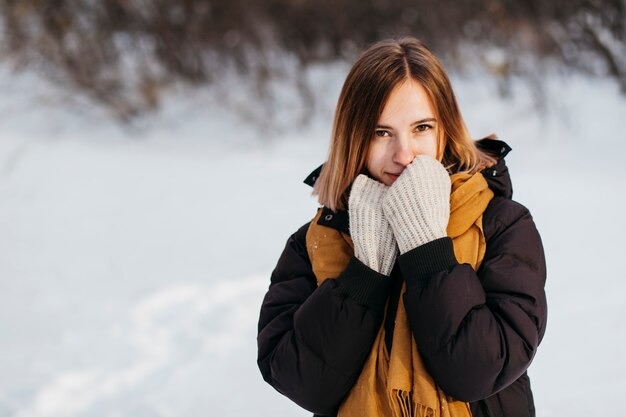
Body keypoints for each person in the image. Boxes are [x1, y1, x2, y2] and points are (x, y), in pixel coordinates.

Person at [257, 37, 547, 417]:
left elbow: (477, 372)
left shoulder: (501, 225)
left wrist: (427, 246)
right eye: (381, 132)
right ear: (354, 138)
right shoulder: (315, 241)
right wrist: (366, 272)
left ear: (446, 129)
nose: (403, 154)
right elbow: (303, 382)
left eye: (421, 127)